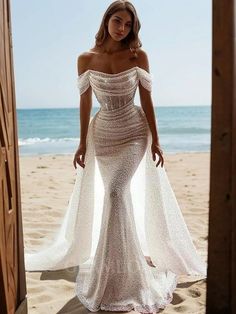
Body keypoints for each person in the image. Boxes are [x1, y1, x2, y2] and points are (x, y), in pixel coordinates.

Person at [24, 1, 207, 313]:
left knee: (115, 192)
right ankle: (116, 268)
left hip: (134, 131)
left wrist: (156, 140)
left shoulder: (138, 56)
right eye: (117, 21)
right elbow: (84, 103)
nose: (122, 28)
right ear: (106, 20)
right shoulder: (86, 58)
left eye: (127, 24)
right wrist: (81, 142)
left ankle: (126, 277)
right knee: (114, 197)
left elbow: (148, 99)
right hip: (104, 134)